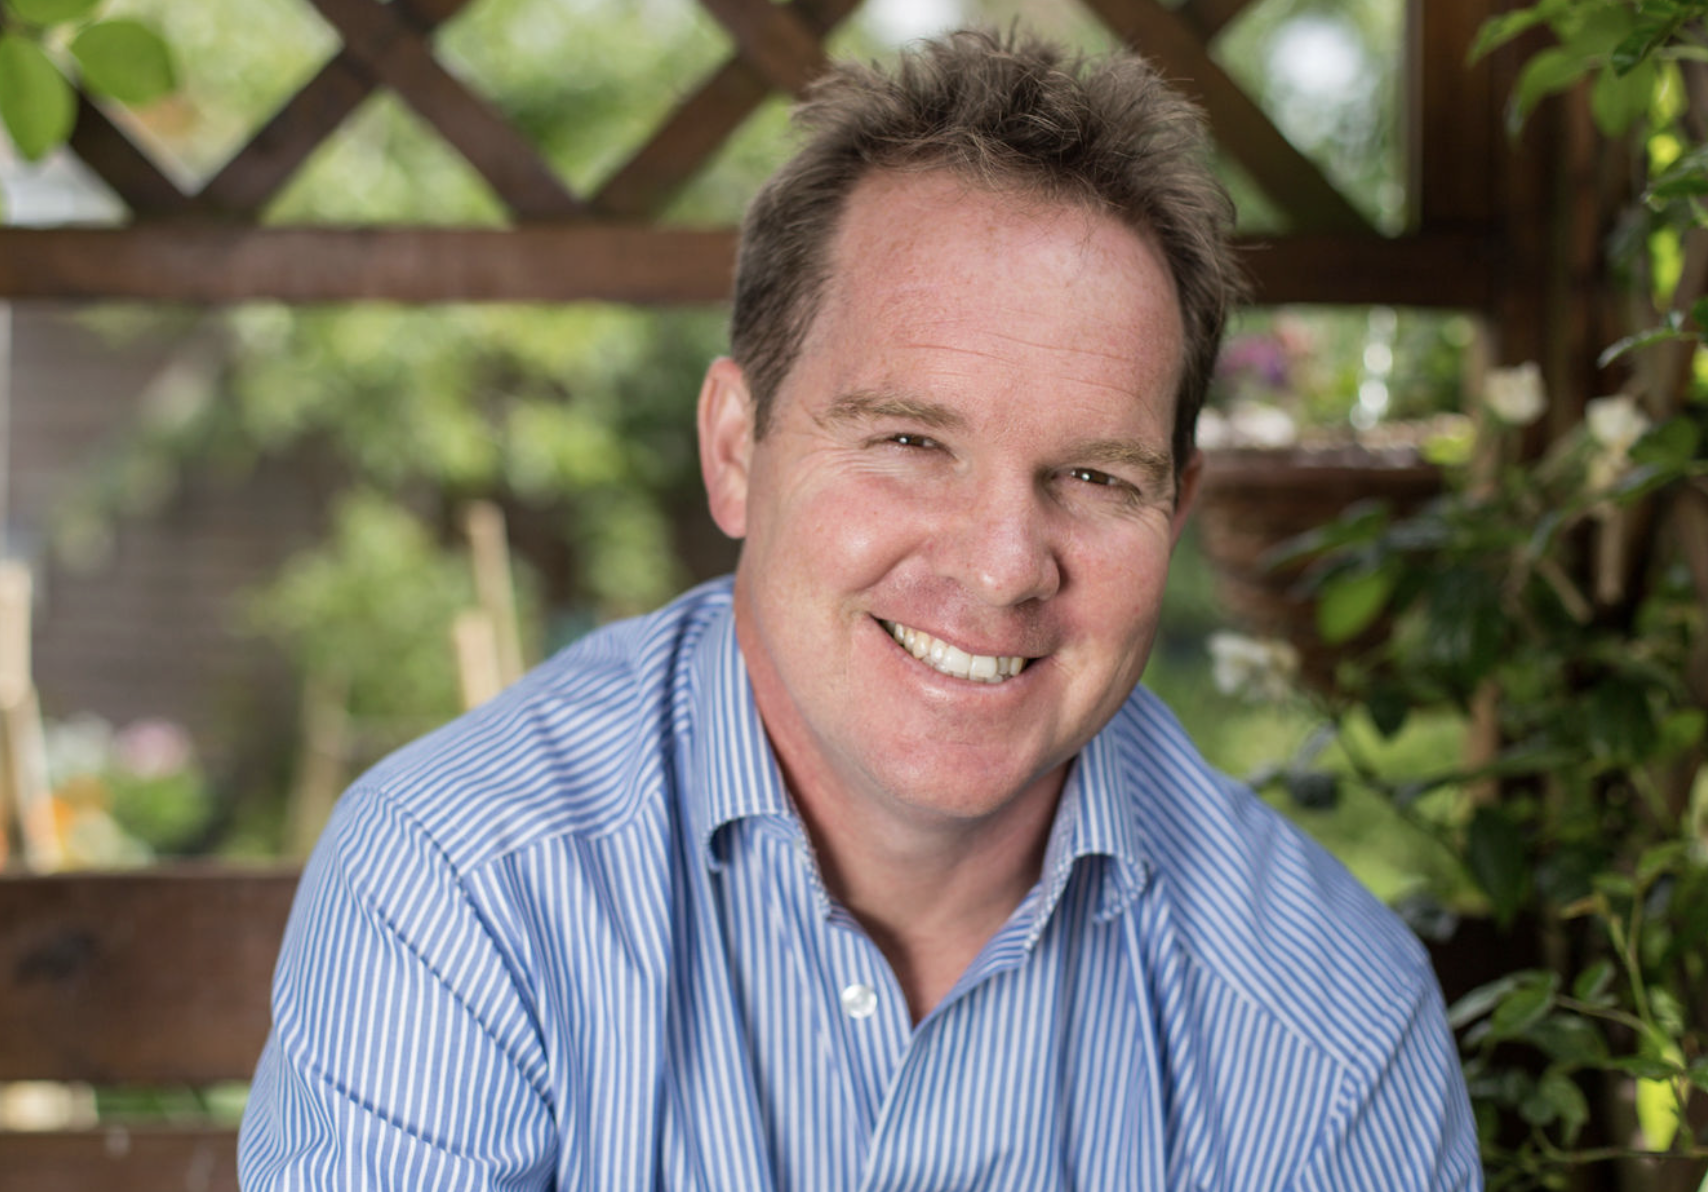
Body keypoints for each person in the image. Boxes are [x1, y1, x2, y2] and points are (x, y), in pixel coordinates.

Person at [238, 28, 1481, 1190]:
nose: (1003, 568)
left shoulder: (1331, 1025)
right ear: (737, 449)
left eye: (1094, 477)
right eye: (907, 439)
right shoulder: (465, 888)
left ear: (1177, 509)